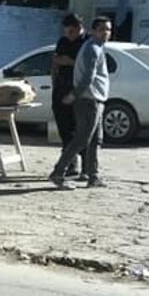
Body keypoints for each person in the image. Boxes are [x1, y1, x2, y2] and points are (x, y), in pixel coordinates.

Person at [49, 16, 112, 190]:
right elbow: (87, 77)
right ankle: (58, 173)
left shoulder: (96, 47)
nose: (106, 33)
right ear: (93, 31)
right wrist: (74, 95)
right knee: (81, 139)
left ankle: (93, 176)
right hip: (88, 99)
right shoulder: (92, 48)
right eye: (102, 29)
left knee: (94, 140)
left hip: (96, 99)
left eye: (108, 29)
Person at [51, 13, 87, 178]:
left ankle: (87, 167)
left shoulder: (87, 43)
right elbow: (56, 61)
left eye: (71, 31)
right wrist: (54, 82)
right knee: (65, 129)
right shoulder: (63, 42)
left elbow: (86, 67)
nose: (68, 35)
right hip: (61, 89)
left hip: (79, 91)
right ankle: (71, 164)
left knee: (82, 131)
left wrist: (70, 61)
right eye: (66, 31)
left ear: (80, 28)